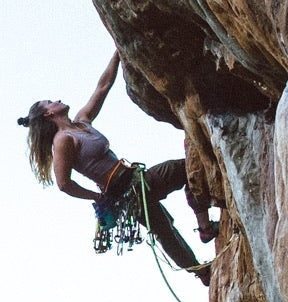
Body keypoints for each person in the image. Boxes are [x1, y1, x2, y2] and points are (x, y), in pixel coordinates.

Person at [21, 52, 217, 284]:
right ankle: (202, 262)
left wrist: (117, 54)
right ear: (49, 113)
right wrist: (97, 197)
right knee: (178, 191)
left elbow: (103, 86)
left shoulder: (82, 122)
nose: (57, 99)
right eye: (51, 101)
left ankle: (204, 237)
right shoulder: (63, 140)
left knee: (171, 214)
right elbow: (64, 184)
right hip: (127, 191)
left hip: (135, 180)